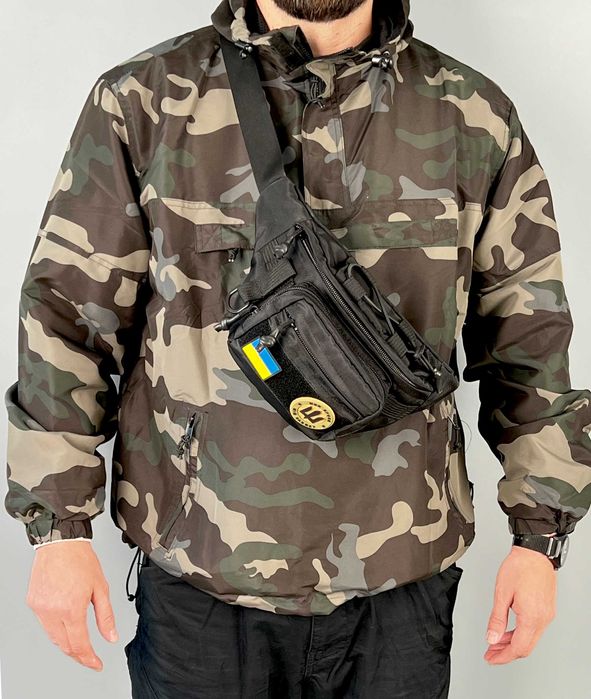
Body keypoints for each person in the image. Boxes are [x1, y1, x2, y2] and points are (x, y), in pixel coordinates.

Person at [5, 0, 591, 696]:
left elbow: (528, 337)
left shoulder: (473, 113)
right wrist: (59, 529)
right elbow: (68, 317)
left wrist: (540, 538)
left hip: (399, 585)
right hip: (204, 583)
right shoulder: (145, 99)